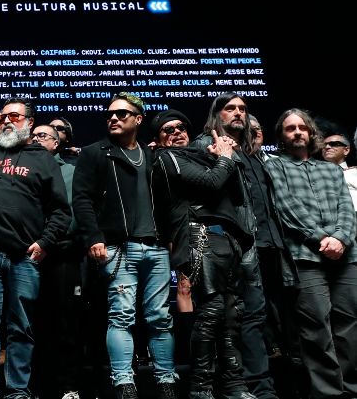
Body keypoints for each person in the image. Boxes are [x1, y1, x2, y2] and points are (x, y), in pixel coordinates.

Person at [72, 93, 177, 399]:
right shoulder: (95, 153)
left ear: (138, 119)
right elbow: (82, 199)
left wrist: (169, 238)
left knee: (160, 316)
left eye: (121, 113)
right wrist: (94, 237)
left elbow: (168, 203)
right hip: (118, 248)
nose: (113, 118)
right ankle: (123, 382)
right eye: (109, 115)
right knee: (121, 315)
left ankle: (166, 380)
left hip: (155, 248)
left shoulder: (153, 155)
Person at [192, 93, 293, 399]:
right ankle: (248, 388)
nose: (237, 113)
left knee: (260, 317)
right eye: (230, 108)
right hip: (234, 242)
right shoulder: (204, 143)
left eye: (242, 109)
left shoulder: (251, 153)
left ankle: (262, 386)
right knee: (234, 318)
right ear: (216, 114)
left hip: (266, 243)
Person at [0, 99, 71, 399]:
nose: (7, 121)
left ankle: (17, 391)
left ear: (29, 121)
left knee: (21, 325)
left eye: (14, 115)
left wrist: (45, 241)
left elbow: (61, 211)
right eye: (2, 116)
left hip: (26, 255)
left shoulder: (43, 159)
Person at [151, 110, 256, 399]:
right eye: (167, 129)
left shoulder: (204, 158)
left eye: (181, 127)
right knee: (210, 312)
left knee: (231, 314)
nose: (176, 132)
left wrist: (220, 158)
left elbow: (234, 192)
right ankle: (200, 386)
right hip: (198, 235)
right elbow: (211, 184)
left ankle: (234, 384)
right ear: (158, 139)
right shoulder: (165, 157)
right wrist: (222, 157)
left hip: (228, 237)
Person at [265, 109, 357, 398]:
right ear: (281, 135)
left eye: (302, 127)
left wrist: (340, 238)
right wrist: (323, 238)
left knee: (349, 325)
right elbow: (287, 208)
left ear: (310, 132)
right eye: (290, 128)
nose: (297, 132)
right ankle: (329, 393)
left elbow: (348, 209)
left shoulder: (330, 169)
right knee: (316, 326)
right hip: (305, 257)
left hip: (346, 256)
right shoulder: (276, 167)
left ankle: (351, 388)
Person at [31, 123, 84, 399]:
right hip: (27, 257)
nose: (38, 139)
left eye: (44, 136)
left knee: (66, 322)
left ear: (56, 143)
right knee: (32, 323)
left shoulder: (71, 172)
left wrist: (49, 241)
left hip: (63, 255)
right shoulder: (22, 168)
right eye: (35, 135)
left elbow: (74, 216)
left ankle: (69, 386)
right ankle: (36, 386)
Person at [321, 132, 357, 212]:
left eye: (333, 144)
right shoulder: (315, 174)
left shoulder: (354, 172)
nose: (327, 147)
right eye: (323, 145)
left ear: (346, 150)